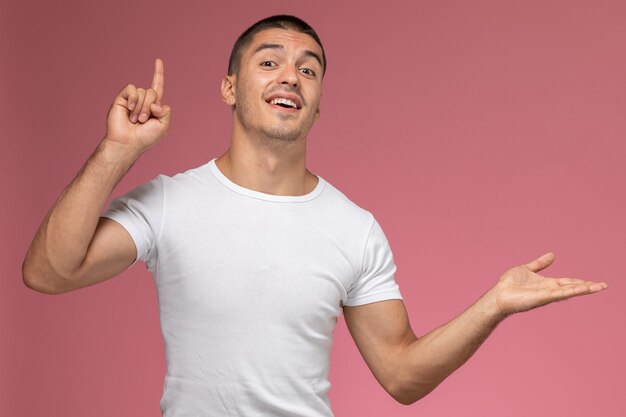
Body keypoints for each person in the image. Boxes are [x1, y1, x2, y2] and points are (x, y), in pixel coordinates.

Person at [22, 14, 607, 417]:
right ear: (229, 87)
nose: (290, 77)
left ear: (318, 100)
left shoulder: (353, 228)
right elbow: (49, 272)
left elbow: (402, 376)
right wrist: (117, 153)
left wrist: (494, 305)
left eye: (308, 68)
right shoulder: (169, 202)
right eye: (269, 62)